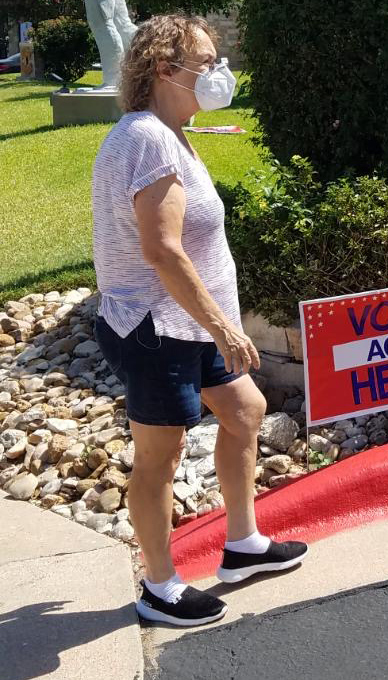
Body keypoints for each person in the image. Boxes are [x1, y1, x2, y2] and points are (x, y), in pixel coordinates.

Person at [91, 14, 308, 627]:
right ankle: (158, 587)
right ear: (164, 69)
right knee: (159, 454)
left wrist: (213, 324)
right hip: (157, 327)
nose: (219, 74)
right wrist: (223, 326)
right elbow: (162, 249)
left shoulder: (166, 132)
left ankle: (242, 546)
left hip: (188, 323)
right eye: (206, 63)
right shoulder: (148, 139)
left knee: (244, 411)